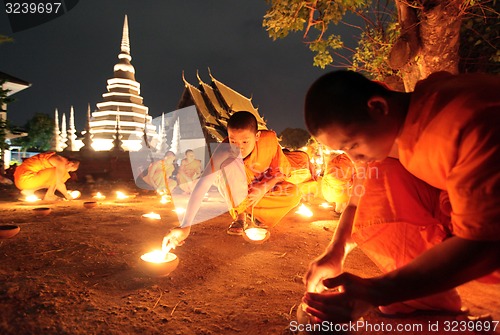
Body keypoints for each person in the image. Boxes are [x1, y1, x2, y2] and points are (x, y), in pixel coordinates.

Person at [301, 70, 500, 323]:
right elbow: (357, 199)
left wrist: (376, 291)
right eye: (343, 150)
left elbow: (486, 246)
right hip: (465, 214)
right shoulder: (398, 129)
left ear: (377, 106)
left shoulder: (467, 121)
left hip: (488, 236)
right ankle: (421, 301)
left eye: (352, 145)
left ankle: (427, 306)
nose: (353, 158)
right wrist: (335, 251)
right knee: (380, 174)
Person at [163, 111, 303, 248]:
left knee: (294, 193)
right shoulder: (224, 151)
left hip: (259, 188)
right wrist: (185, 225)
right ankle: (241, 216)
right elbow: (203, 184)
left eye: (244, 141)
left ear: (257, 136)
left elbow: (280, 172)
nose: (238, 147)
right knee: (229, 163)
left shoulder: (269, 141)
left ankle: (257, 216)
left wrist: (263, 188)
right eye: (233, 141)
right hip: (236, 190)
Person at [14, 152, 80, 201]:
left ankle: (29, 190)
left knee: (54, 178)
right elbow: (59, 182)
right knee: (61, 174)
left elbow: (54, 183)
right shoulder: (60, 163)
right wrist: (67, 195)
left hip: (21, 181)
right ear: (71, 164)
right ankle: (50, 195)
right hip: (26, 179)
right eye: (70, 170)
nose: (69, 171)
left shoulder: (57, 159)